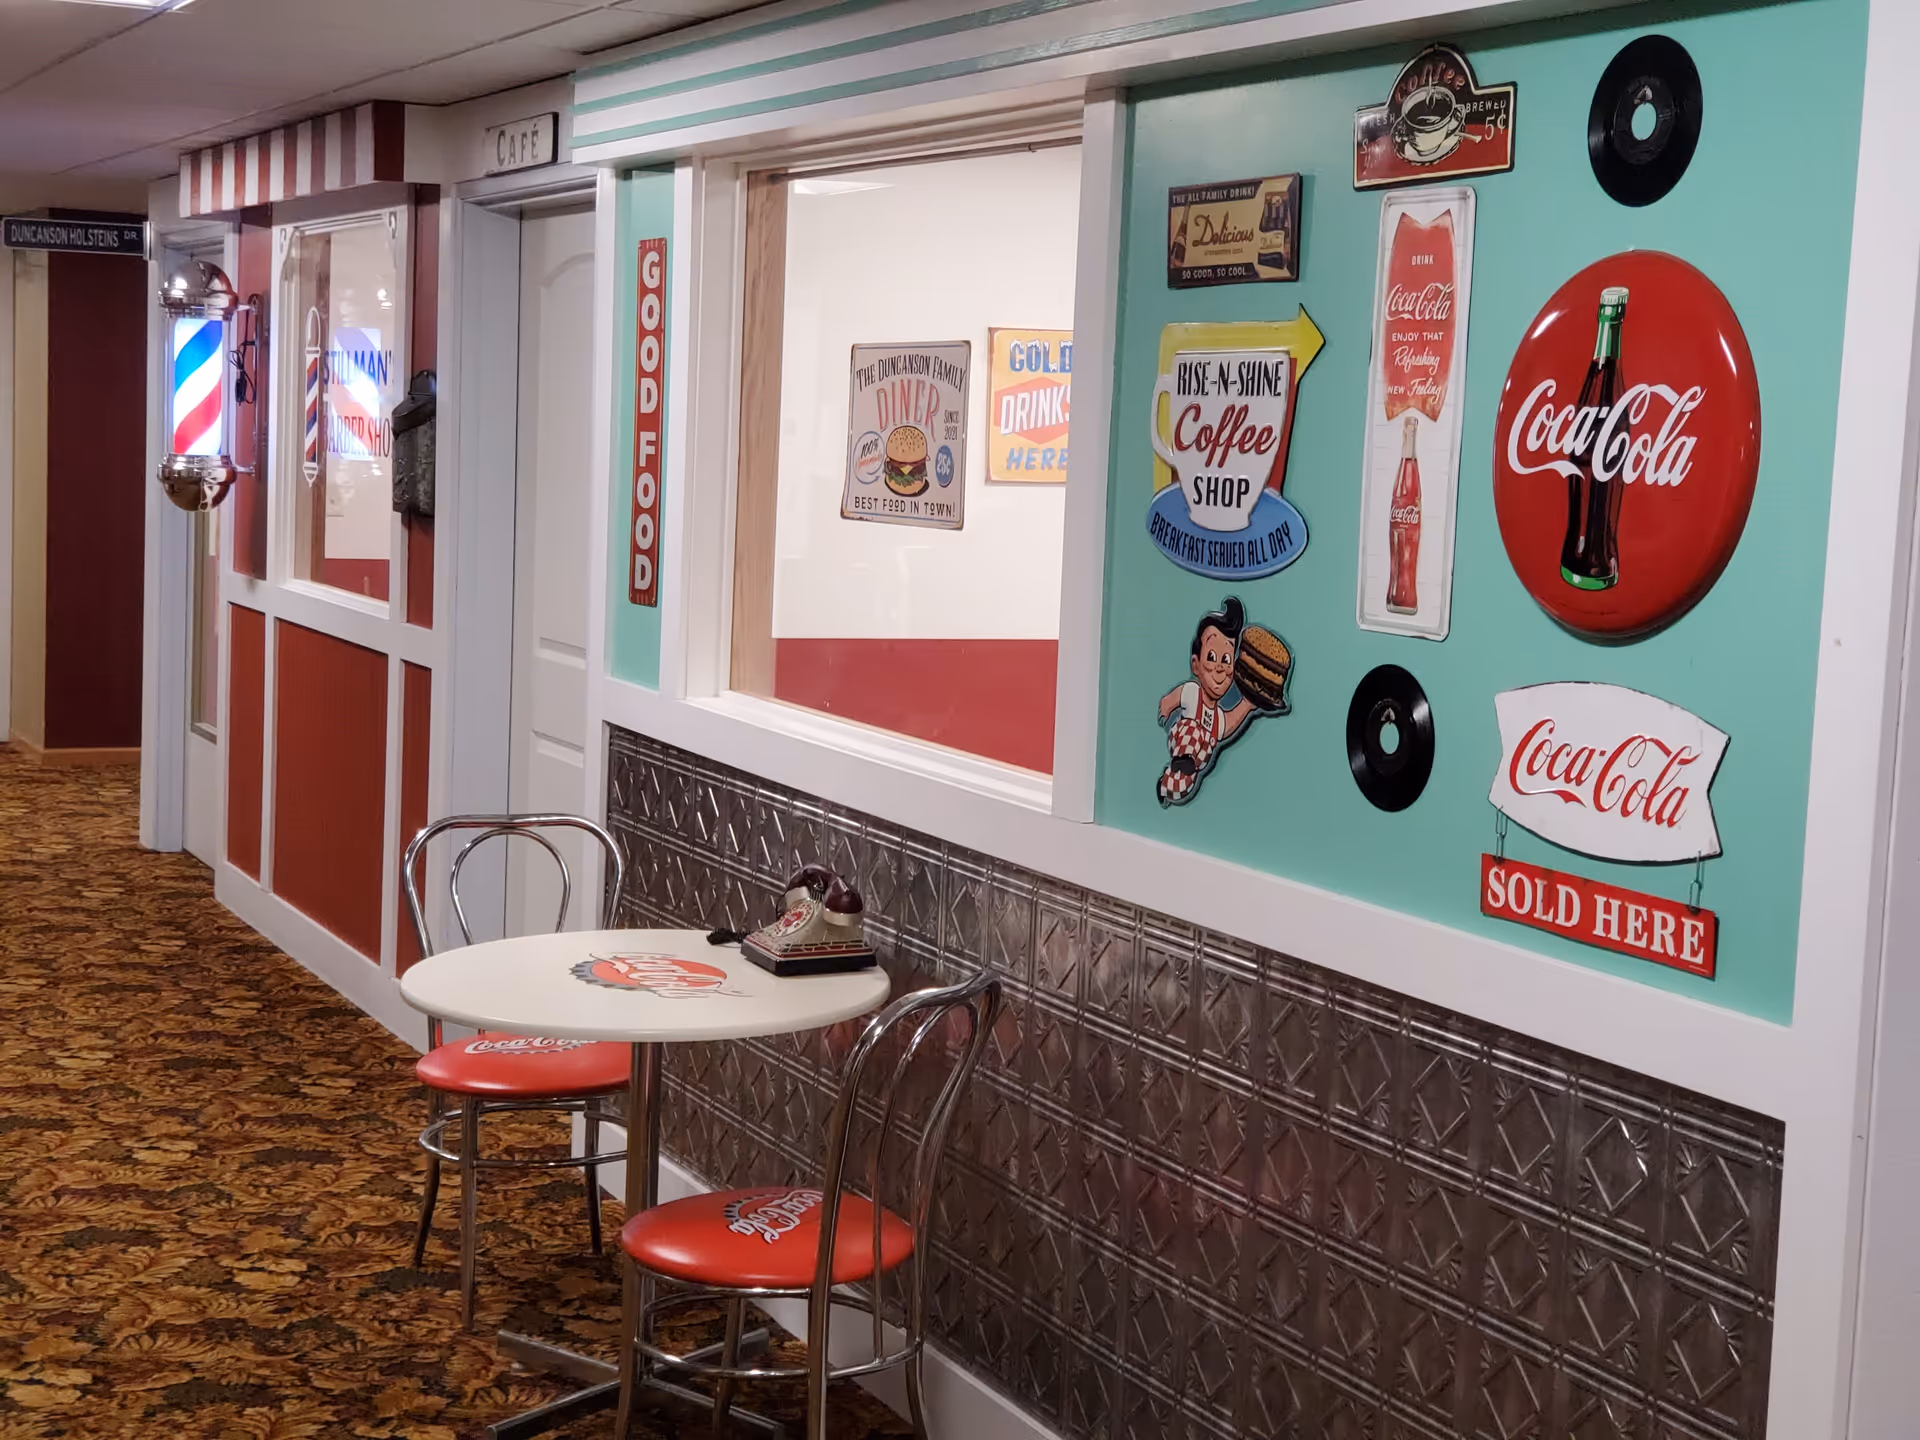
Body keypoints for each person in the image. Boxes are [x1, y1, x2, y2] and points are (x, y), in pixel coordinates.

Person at [1157, 597, 1257, 806]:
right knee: (1193, 734)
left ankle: (1168, 785)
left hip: (1197, 762)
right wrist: (1167, 704)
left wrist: (1247, 705)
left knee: (1186, 783)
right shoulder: (1194, 693)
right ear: (1196, 664)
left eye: (1226, 660)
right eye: (1211, 657)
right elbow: (1176, 696)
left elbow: (1229, 724)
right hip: (1183, 741)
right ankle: (1182, 761)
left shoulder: (1218, 718)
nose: (1220, 668)